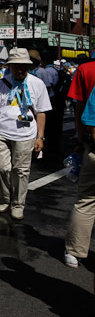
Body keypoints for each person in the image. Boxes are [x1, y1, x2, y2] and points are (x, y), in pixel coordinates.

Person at [0, 48, 50, 220]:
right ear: (10, 66)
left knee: (21, 171)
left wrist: (40, 137)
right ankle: (6, 196)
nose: (20, 70)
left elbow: (41, 112)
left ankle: (18, 204)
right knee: (0, 167)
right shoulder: (1, 83)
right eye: (15, 66)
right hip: (0, 131)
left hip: (26, 134)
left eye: (23, 66)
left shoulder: (37, 84)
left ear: (29, 66)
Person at [63, 58, 95, 268]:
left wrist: (81, 140)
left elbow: (81, 109)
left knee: (86, 200)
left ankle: (74, 251)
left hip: (93, 147)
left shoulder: (85, 69)